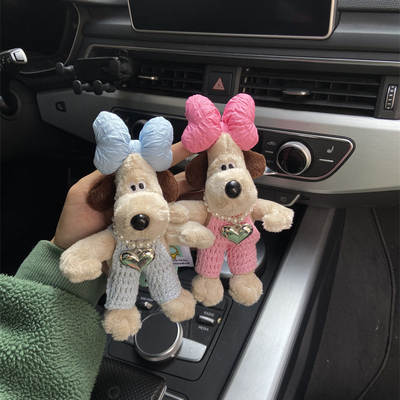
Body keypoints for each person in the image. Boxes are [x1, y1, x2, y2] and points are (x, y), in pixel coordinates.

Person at [0, 143, 194, 400]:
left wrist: (62, 274)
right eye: (132, 188)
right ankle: (125, 312)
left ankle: (172, 298)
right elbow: (90, 249)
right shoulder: (114, 235)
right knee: (125, 289)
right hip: (122, 261)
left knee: (164, 279)